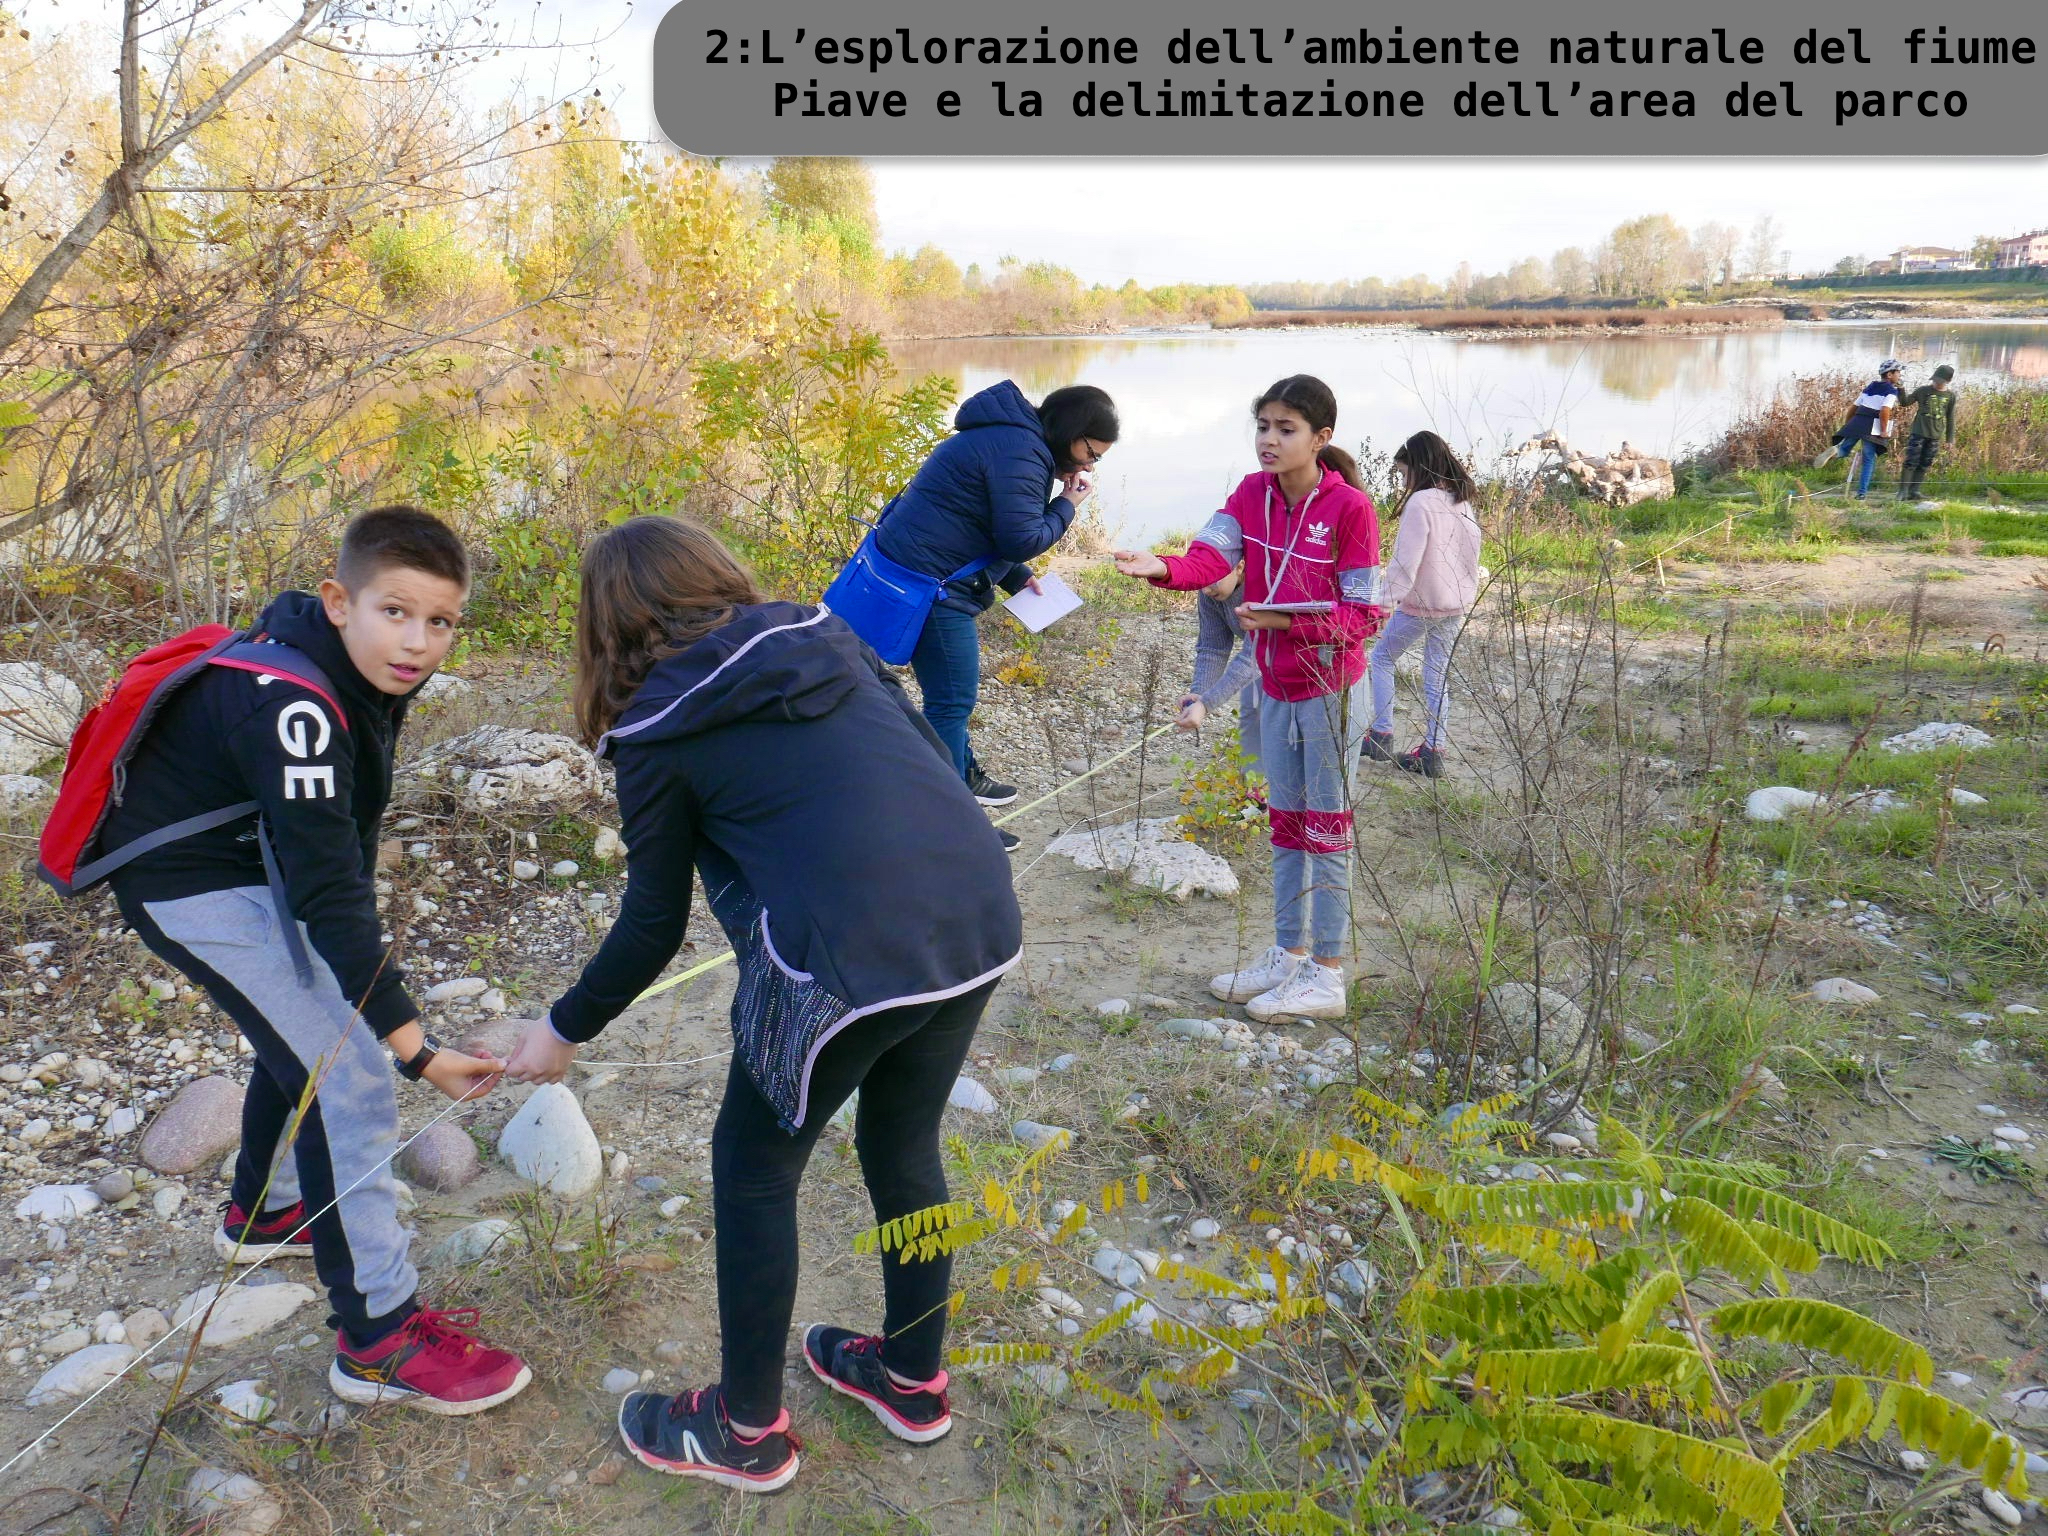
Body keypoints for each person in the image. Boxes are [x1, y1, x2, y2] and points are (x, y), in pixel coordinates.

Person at [501, 515, 1022, 1494]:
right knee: (904, 1144)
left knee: (749, 1168)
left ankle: (745, 1434)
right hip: (980, 915)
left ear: (604, 630)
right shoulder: (824, 637)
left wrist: (560, 1029)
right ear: (717, 578)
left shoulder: (654, 727)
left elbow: (652, 924)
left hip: (852, 965)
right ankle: (910, 1379)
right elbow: (924, 760)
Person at [102, 507, 530, 1414]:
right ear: (339, 601)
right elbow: (331, 893)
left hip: (242, 858)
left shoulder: (346, 665)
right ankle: (377, 1340)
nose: (417, 643)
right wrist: (414, 1048)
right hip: (189, 882)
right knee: (351, 1074)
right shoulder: (293, 702)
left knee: (308, 1038)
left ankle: (265, 1212)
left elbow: (331, 852)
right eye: (396, 612)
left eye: (440, 621)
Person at [1111, 375, 1382, 1023]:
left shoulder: (1351, 510)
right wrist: (1165, 568)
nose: (1269, 440)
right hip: (1275, 692)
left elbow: (1363, 617)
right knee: (1285, 826)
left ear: (1321, 439)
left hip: (1332, 692)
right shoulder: (1250, 494)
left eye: (1286, 429)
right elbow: (1211, 556)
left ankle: (1327, 970)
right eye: (1263, 426)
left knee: (1326, 830)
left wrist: (1289, 625)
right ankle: (1288, 954)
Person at [862, 380, 1118, 847]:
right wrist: (1067, 504)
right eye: (1090, 452)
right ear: (1070, 430)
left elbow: (970, 521)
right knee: (951, 702)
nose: (1088, 464)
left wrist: (1014, 575)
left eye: (1096, 459)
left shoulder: (1011, 437)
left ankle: (961, 775)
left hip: (925, 574)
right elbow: (1021, 535)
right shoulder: (1023, 452)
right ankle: (952, 824)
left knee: (949, 703)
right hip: (932, 590)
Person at [1361, 432, 1484, 779]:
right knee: (1437, 672)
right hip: (1456, 603)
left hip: (1423, 603)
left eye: (1403, 473)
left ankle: (1382, 733)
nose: (1403, 481)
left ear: (1418, 466)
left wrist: (1383, 606)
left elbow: (1405, 563)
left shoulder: (1421, 502)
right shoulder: (1461, 500)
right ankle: (1433, 749)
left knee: (1382, 658)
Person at [1176, 559, 1263, 780]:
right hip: (1265, 659)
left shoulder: (1263, 586)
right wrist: (1199, 693)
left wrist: (1206, 705)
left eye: (1212, 579)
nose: (1205, 588)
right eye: (1202, 580)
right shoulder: (1209, 592)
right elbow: (1213, 647)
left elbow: (1252, 658)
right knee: (1251, 717)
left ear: (1240, 566)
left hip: (1304, 661)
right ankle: (1255, 801)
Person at [1813, 358, 1904, 499]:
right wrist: (1884, 430)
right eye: (1898, 372)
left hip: (1857, 421)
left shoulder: (1871, 387)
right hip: (1871, 426)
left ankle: (1836, 451)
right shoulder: (1891, 391)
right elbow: (1884, 411)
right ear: (1889, 375)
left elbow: (1854, 407)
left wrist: (1849, 424)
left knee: (1844, 449)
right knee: (1868, 459)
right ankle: (1861, 494)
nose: (1899, 375)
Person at [1895, 363, 1957, 505]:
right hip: (1918, 432)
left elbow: (1950, 418)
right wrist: (1900, 388)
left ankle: (1914, 490)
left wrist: (1949, 439)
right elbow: (1904, 402)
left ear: (1948, 381)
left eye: (1940, 381)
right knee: (1911, 461)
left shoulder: (1950, 397)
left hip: (1935, 435)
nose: (1936, 383)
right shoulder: (1923, 391)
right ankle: (1902, 491)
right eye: (1935, 380)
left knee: (1925, 462)